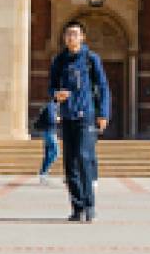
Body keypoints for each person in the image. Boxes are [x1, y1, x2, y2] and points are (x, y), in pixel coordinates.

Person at [48, 20, 110, 222]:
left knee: (84, 157)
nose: (71, 37)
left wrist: (103, 114)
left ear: (82, 37)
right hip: (67, 116)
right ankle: (77, 207)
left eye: (75, 34)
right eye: (67, 34)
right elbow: (51, 87)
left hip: (87, 115)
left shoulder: (91, 59)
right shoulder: (59, 61)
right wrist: (56, 94)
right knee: (69, 163)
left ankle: (90, 205)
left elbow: (103, 87)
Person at [37, 97, 61, 184]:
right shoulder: (51, 106)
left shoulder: (52, 106)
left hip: (48, 132)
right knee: (55, 152)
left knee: (48, 154)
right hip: (49, 132)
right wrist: (58, 119)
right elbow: (51, 119)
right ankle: (43, 172)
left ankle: (43, 174)